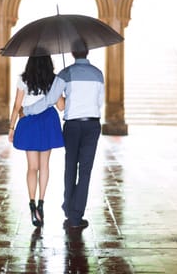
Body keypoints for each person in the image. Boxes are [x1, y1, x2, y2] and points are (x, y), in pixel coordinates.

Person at [23, 41, 104, 229]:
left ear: (73, 53)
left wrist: (27, 111)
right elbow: (99, 102)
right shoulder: (98, 74)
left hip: (73, 126)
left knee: (70, 166)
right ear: (87, 52)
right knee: (85, 171)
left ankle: (68, 207)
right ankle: (76, 214)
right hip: (92, 125)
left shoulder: (65, 73)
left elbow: (51, 100)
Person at [8, 54, 65, 228]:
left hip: (29, 122)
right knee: (45, 166)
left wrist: (12, 128)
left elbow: (17, 106)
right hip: (48, 121)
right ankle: (42, 202)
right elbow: (61, 106)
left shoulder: (23, 79)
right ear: (49, 63)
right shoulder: (54, 80)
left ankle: (32, 204)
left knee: (32, 167)